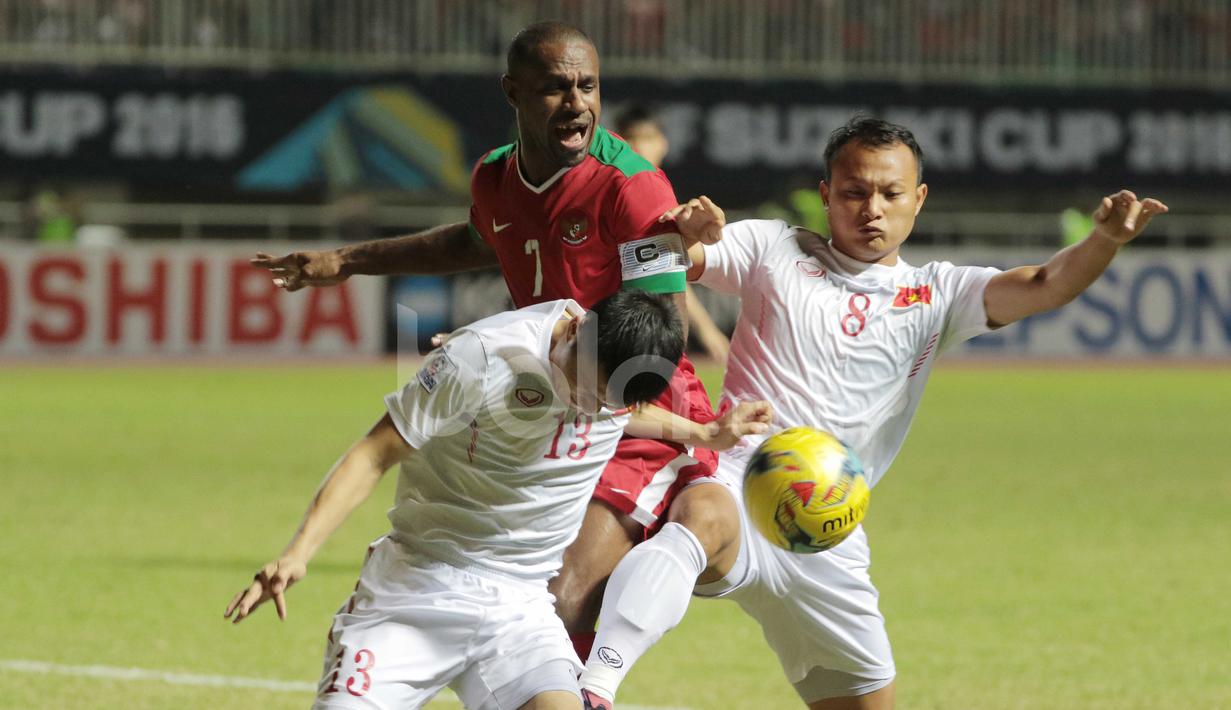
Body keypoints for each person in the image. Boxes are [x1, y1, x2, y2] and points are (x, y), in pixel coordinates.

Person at [248, 21, 767, 699]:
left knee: (563, 592)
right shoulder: (496, 176)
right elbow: (472, 241)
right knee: (488, 558)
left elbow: (655, 338)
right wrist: (349, 261)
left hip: (625, 394)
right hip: (543, 388)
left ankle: (661, 583)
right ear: (513, 93)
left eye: (587, 86)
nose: (576, 103)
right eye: (555, 88)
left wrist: (673, 255)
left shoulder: (631, 188)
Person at [575, 117, 1168, 709]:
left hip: (830, 530)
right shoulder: (773, 248)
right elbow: (650, 255)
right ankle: (596, 688)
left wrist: (1104, 241)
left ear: (919, 198)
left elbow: (1043, 284)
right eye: (855, 192)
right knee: (700, 511)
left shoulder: (938, 293)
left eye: (891, 193)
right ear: (827, 193)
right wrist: (682, 236)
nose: (872, 210)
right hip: (741, 486)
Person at [224, 291, 687, 709]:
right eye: (581, 384)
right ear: (574, 328)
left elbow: (626, 409)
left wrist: (704, 433)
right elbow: (374, 453)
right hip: (416, 586)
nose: (582, 405)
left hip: (521, 606)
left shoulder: (617, 389)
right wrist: (298, 553)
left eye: (600, 401)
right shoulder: (481, 356)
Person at [614, 103, 732, 365]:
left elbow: (667, 268)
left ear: (663, 143)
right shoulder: (614, 195)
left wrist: (707, 330)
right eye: (630, 138)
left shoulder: (663, 197)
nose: (639, 147)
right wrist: (708, 331)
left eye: (647, 138)